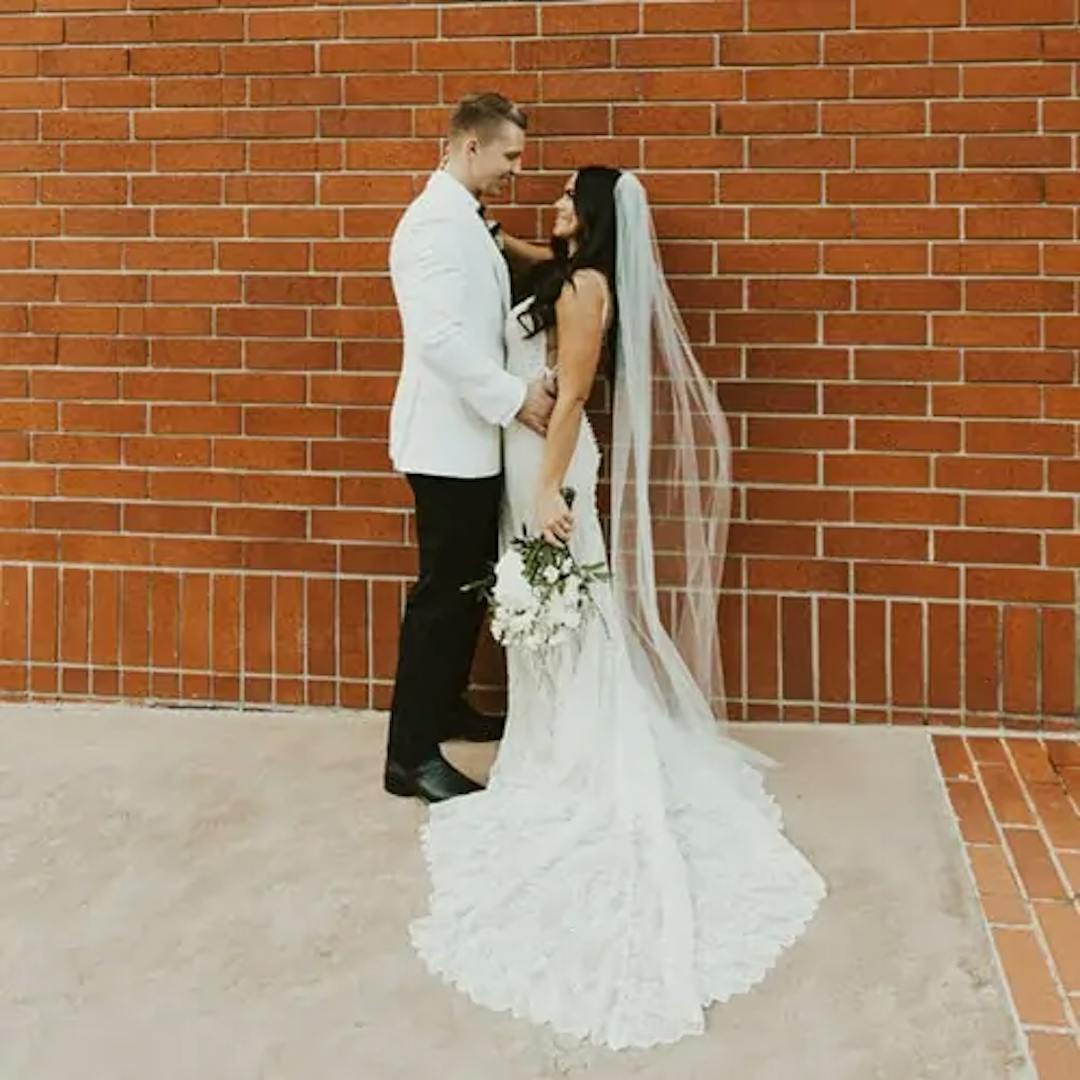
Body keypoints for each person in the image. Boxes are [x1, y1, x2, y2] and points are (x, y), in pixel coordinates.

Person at [408, 167, 827, 1049]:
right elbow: (526, 255)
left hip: (549, 466)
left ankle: (577, 752)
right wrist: (480, 226)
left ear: (592, 217)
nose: (552, 205)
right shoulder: (566, 271)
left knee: (570, 609)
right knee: (547, 613)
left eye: (566, 198)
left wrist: (553, 487)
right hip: (526, 463)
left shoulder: (588, 289)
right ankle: (547, 734)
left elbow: (574, 395)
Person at [383, 93, 555, 804]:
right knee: (442, 599)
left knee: (465, 587)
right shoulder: (433, 227)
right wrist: (519, 401)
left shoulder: (466, 220)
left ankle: (446, 705)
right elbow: (441, 341)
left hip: (470, 441)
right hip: (445, 443)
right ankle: (410, 755)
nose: (517, 169)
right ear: (470, 146)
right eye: (510, 155)